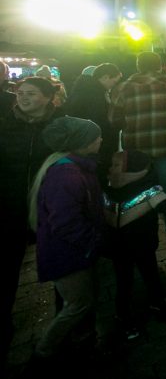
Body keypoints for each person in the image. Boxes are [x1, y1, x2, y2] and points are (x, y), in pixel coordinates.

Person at [27, 117, 104, 362]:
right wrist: (92, 243)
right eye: (96, 137)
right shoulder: (66, 173)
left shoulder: (73, 167)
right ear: (83, 143)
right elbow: (65, 222)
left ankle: (82, 341)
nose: (101, 140)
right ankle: (44, 352)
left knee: (82, 301)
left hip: (71, 251)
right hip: (67, 253)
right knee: (78, 304)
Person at [104, 149, 166, 340]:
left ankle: (159, 303)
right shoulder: (107, 189)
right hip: (118, 248)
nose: (110, 169)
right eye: (112, 164)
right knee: (124, 282)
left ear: (133, 170)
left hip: (143, 246)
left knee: (150, 274)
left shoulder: (150, 191)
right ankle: (123, 316)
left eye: (116, 165)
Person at [0, 77, 61, 359]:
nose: (23, 98)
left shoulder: (60, 126)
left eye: (31, 94)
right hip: (10, 207)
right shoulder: (6, 125)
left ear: (48, 97)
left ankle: (65, 322)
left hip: (48, 208)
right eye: (20, 93)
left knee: (60, 264)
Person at [110, 52, 166, 247]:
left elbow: (114, 119)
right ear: (159, 65)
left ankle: (138, 234)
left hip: (137, 149)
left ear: (139, 66)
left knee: (137, 191)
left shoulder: (125, 87)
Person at [61, 63, 123, 184]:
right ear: (105, 77)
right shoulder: (94, 94)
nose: (113, 86)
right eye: (114, 82)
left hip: (84, 145)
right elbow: (97, 121)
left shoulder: (84, 89)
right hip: (92, 147)